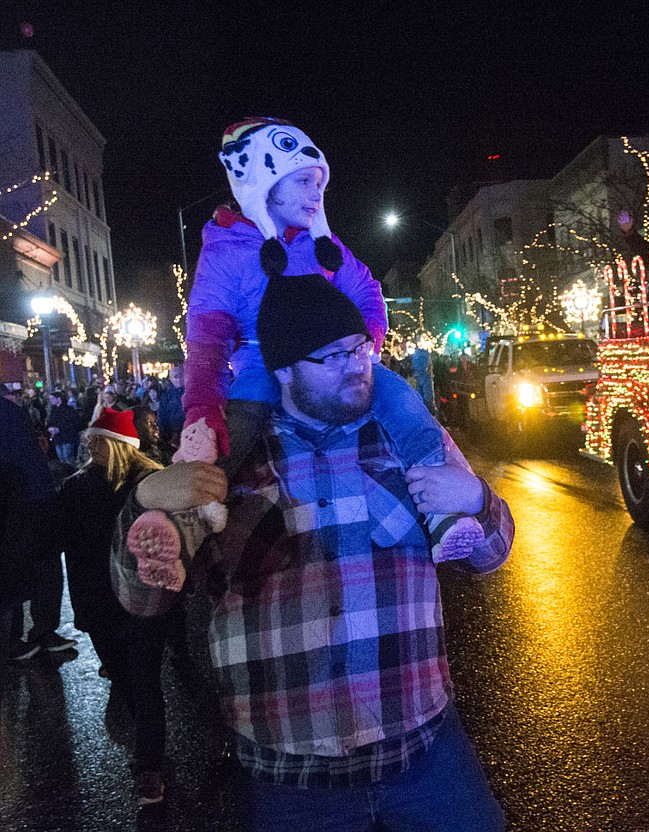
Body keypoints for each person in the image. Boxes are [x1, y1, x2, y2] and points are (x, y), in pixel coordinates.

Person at [113, 275, 513, 830]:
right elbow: (145, 600)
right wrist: (142, 508)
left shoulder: (406, 438)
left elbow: (489, 555)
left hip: (422, 749)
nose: (355, 366)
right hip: (289, 775)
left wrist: (478, 499)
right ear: (282, 371)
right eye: (331, 357)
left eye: (359, 349)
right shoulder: (234, 465)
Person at [174, 117, 480, 562]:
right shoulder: (226, 249)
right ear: (264, 183)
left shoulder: (322, 244)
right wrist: (202, 405)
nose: (316, 193)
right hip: (262, 366)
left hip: (338, 359)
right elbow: (207, 335)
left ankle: (445, 511)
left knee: (407, 407)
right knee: (230, 434)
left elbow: (368, 290)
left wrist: (363, 344)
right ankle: (186, 522)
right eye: (302, 181)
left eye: (319, 182)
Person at [59, 408, 177, 805]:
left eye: (95, 440)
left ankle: (149, 768)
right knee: (137, 682)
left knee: (138, 683)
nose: (88, 445)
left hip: (112, 602)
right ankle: (150, 758)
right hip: (138, 600)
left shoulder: (144, 485)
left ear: (111, 444)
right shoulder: (147, 484)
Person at [0, 396, 59, 670]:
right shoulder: (13, 410)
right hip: (27, 495)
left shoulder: (11, 410)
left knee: (29, 566)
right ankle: (25, 637)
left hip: (25, 496)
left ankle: (30, 635)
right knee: (30, 566)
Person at [46, 389, 83, 465]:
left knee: (68, 459)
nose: (51, 401)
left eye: (52, 399)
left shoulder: (68, 410)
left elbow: (72, 424)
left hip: (67, 438)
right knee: (62, 460)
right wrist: (50, 428)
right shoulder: (53, 410)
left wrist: (59, 429)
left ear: (58, 399)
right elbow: (50, 421)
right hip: (58, 439)